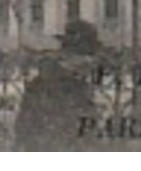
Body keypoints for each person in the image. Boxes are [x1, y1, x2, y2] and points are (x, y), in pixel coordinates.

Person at [13, 19, 101, 151]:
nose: (90, 62)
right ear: (69, 56)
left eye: (91, 56)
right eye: (86, 56)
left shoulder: (75, 83)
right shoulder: (53, 84)